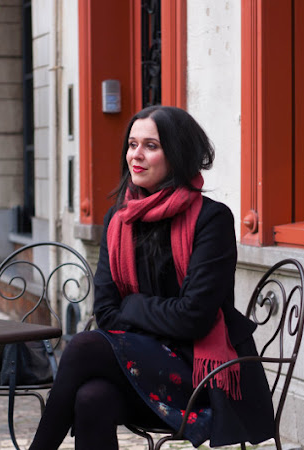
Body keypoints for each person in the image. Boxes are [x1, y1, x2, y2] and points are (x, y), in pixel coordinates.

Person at [29, 105, 275, 449]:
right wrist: (148, 313)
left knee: (85, 345)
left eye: (151, 146)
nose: (136, 156)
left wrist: (133, 306)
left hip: (201, 375)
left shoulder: (211, 220)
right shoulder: (119, 221)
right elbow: (106, 313)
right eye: (132, 144)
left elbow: (193, 318)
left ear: (177, 154)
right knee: (91, 397)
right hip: (139, 369)